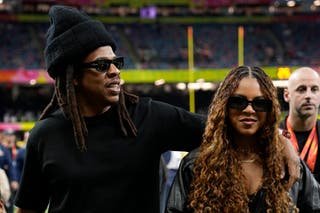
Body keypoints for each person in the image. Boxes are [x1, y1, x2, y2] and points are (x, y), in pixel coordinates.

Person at [14, 6, 299, 213]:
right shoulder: (46, 134)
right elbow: (29, 209)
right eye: (102, 65)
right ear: (72, 76)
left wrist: (278, 139)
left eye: (117, 63)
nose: (115, 72)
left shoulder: (147, 116)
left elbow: (223, 130)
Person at [166, 66, 320, 212]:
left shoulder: (289, 164)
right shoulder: (195, 166)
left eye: (260, 103)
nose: (249, 110)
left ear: (270, 109)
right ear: (224, 106)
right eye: (238, 102)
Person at [280, 67, 320, 182]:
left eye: (314, 89)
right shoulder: (271, 136)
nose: (308, 95)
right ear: (287, 95)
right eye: (301, 89)